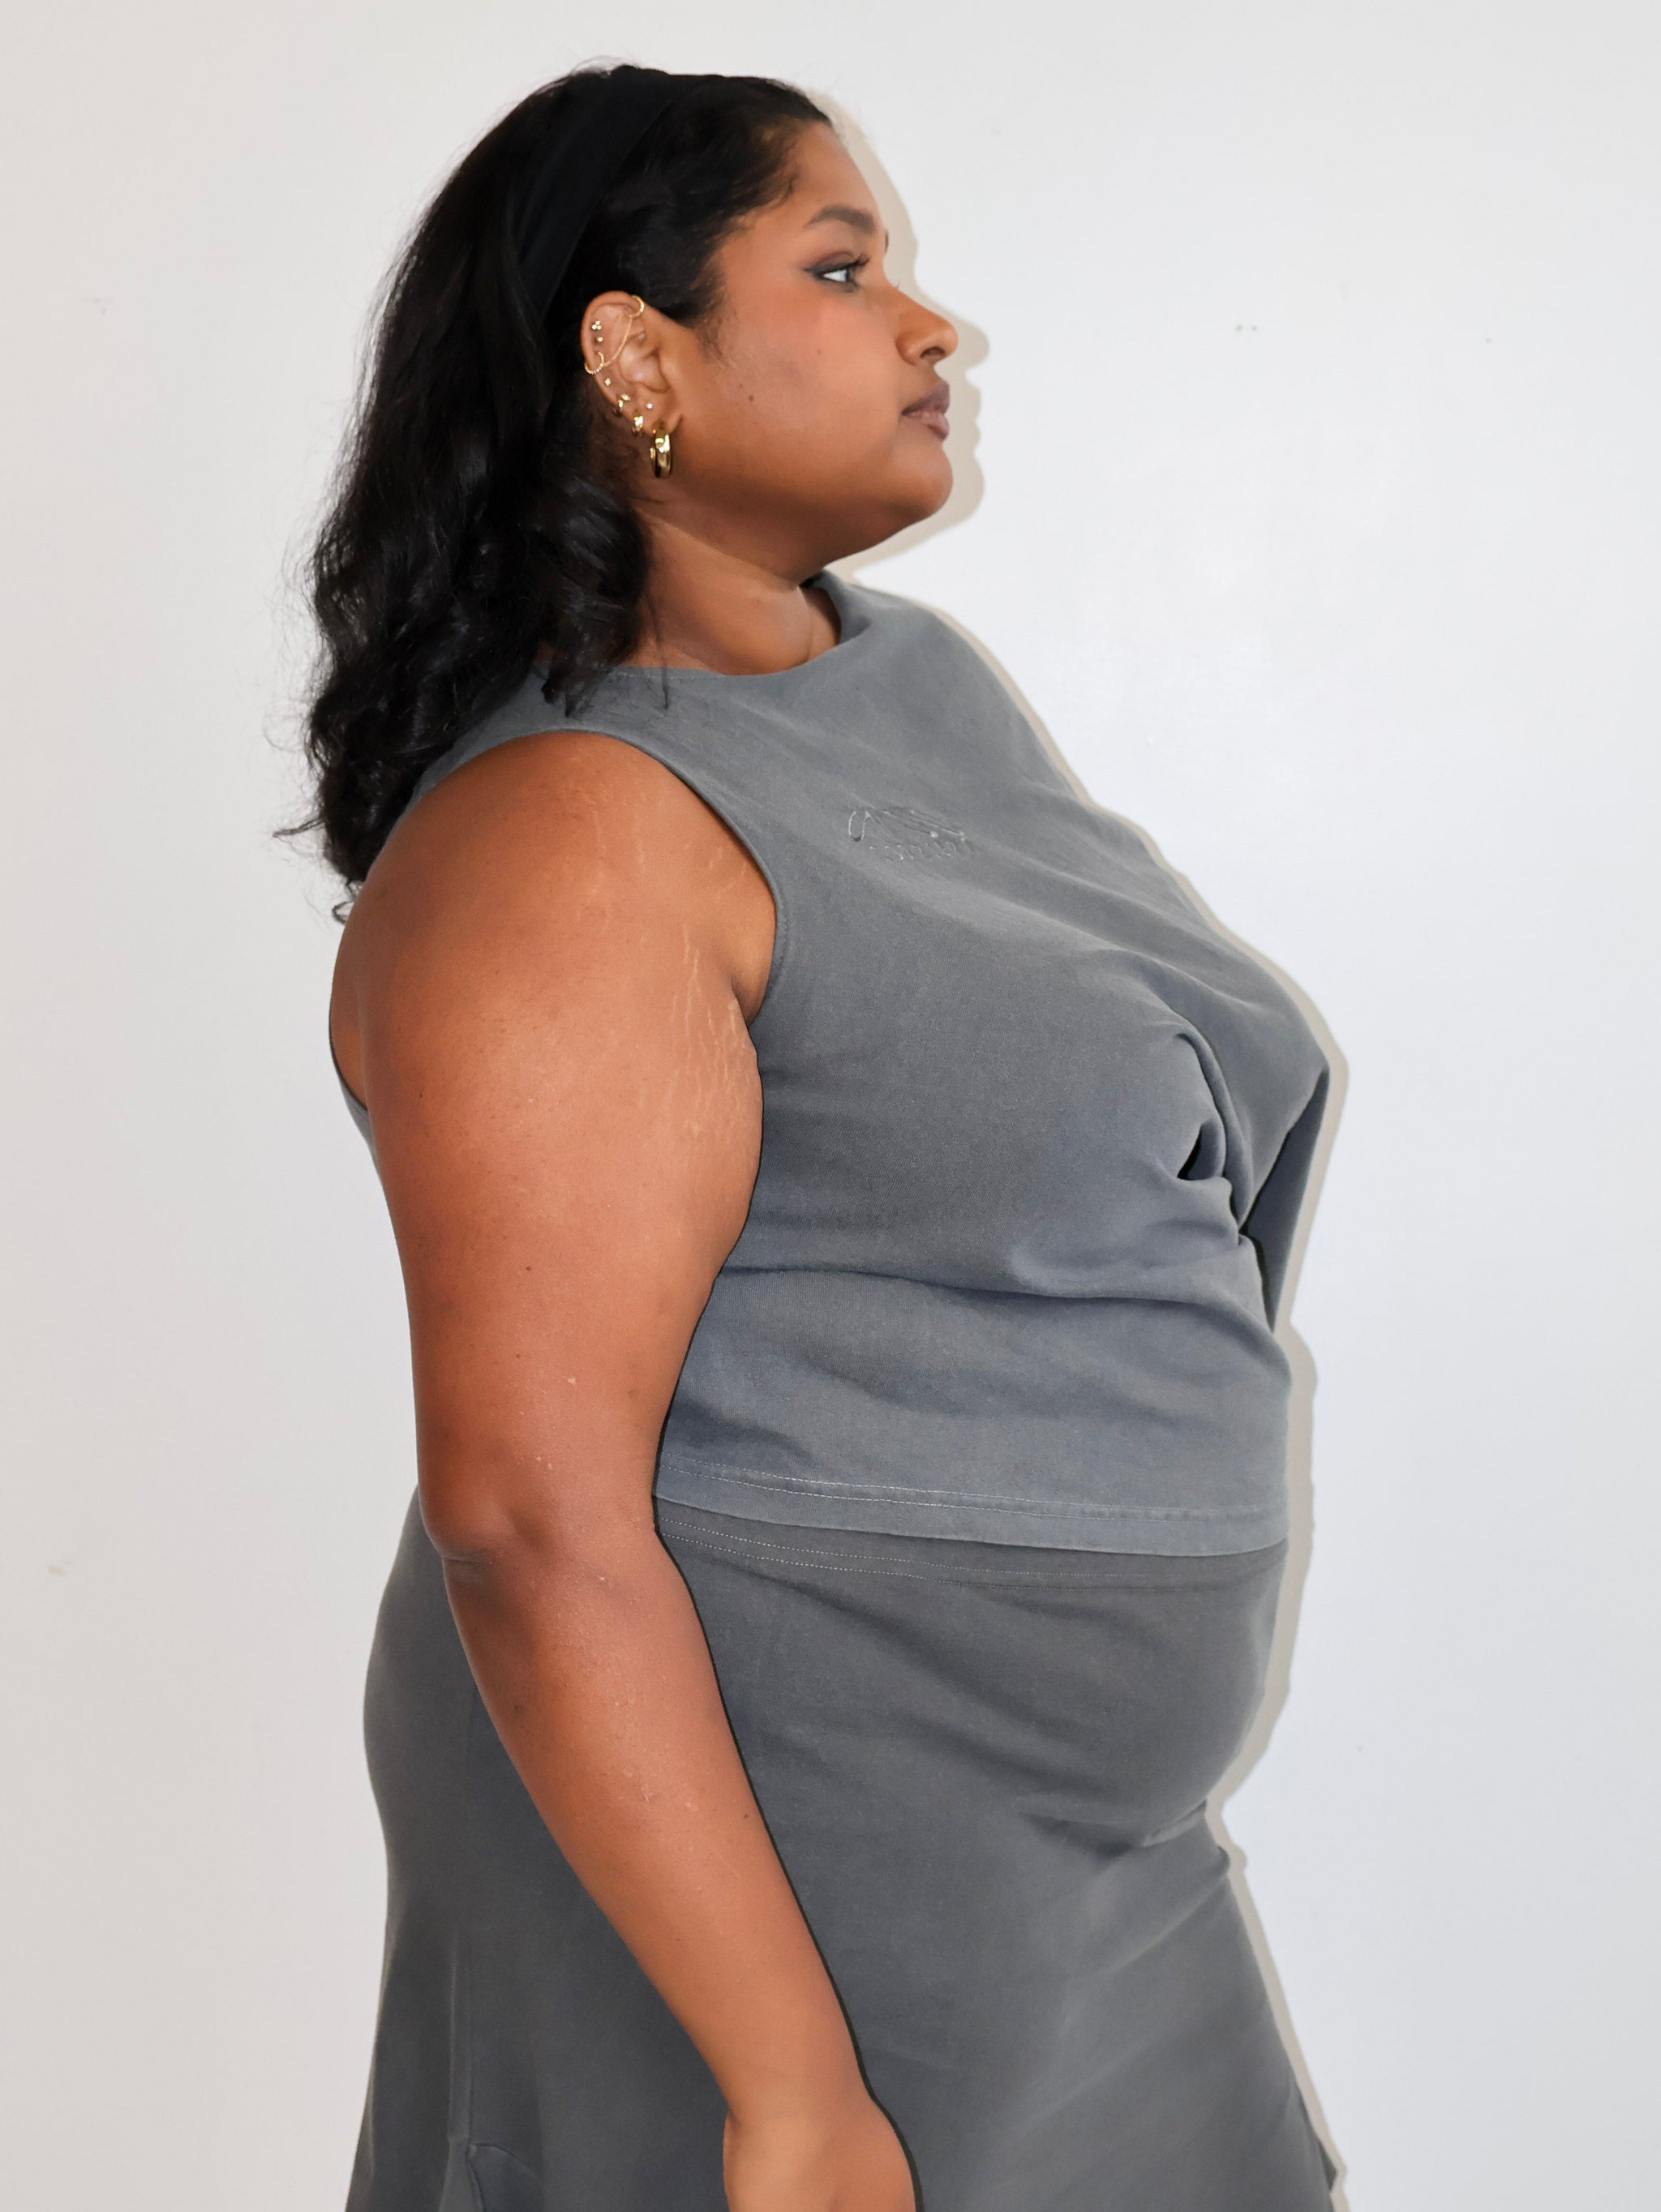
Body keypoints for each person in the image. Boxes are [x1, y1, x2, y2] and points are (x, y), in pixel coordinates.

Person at [300, 61, 1338, 2212]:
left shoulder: (910, 686)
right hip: (785, 1847)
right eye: (846, 269)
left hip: (1078, 1856)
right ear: (636, 357)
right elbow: (525, 1516)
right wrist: (784, 2091)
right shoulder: (567, 840)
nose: (935, 326)